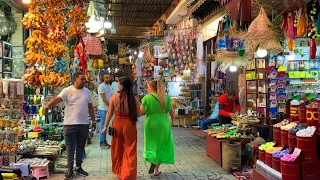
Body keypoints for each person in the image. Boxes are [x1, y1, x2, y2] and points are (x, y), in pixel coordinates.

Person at [43, 72, 96, 179]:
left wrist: (93, 121)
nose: (84, 81)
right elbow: (58, 99)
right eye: (82, 79)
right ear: (75, 79)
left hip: (84, 124)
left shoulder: (87, 92)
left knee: (80, 147)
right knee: (70, 147)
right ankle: (70, 169)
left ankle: (79, 167)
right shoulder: (67, 90)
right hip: (70, 124)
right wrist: (48, 105)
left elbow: (90, 107)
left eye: (84, 79)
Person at [101, 77, 141, 180]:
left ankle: (119, 171)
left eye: (118, 83)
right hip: (130, 124)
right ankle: (129, 173)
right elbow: (139, 114)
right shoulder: (135, 98)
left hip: (117, 123)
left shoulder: (114, 97)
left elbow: (109, 113)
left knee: (117, 148)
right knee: (130, 149)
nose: (117, 85)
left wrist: (105, 126)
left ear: (121, 85)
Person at [140, 79, 175, 176]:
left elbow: (141, 112)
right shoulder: (165, 98)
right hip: (163, 122)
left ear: (151, 87)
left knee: (151, 143)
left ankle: (152, 159)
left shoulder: (147, 98)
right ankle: (156, 170)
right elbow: (172, 111)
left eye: (148, 86)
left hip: (151, 122)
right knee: (162, 144)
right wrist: (173, 121)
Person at [98, 74, 113, 148]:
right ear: (103, 78)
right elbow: (104, 99)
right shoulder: (101, 86)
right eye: (106, 77)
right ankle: (101, 142)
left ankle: (104, 140)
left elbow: (111, 96)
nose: (108, 79)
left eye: (109, 77)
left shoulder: (109, 86)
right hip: (103, 108)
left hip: (107, 108)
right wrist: (111, 105)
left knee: (105, 125)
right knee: (103, 125)